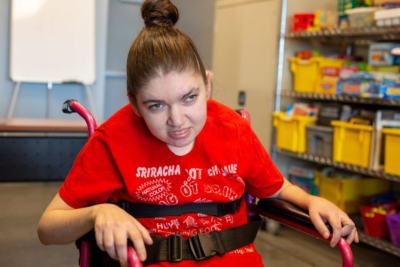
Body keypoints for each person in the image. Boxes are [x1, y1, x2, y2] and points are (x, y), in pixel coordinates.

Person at [37, 0, 359, 266]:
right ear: (135, 104)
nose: (178, 121)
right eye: (156, 106)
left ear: (207, 85)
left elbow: (276, 187)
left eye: (190, 97)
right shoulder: (113, 141)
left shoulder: (233, 130)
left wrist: (312, 200)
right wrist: (97, 213)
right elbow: (48, 228)